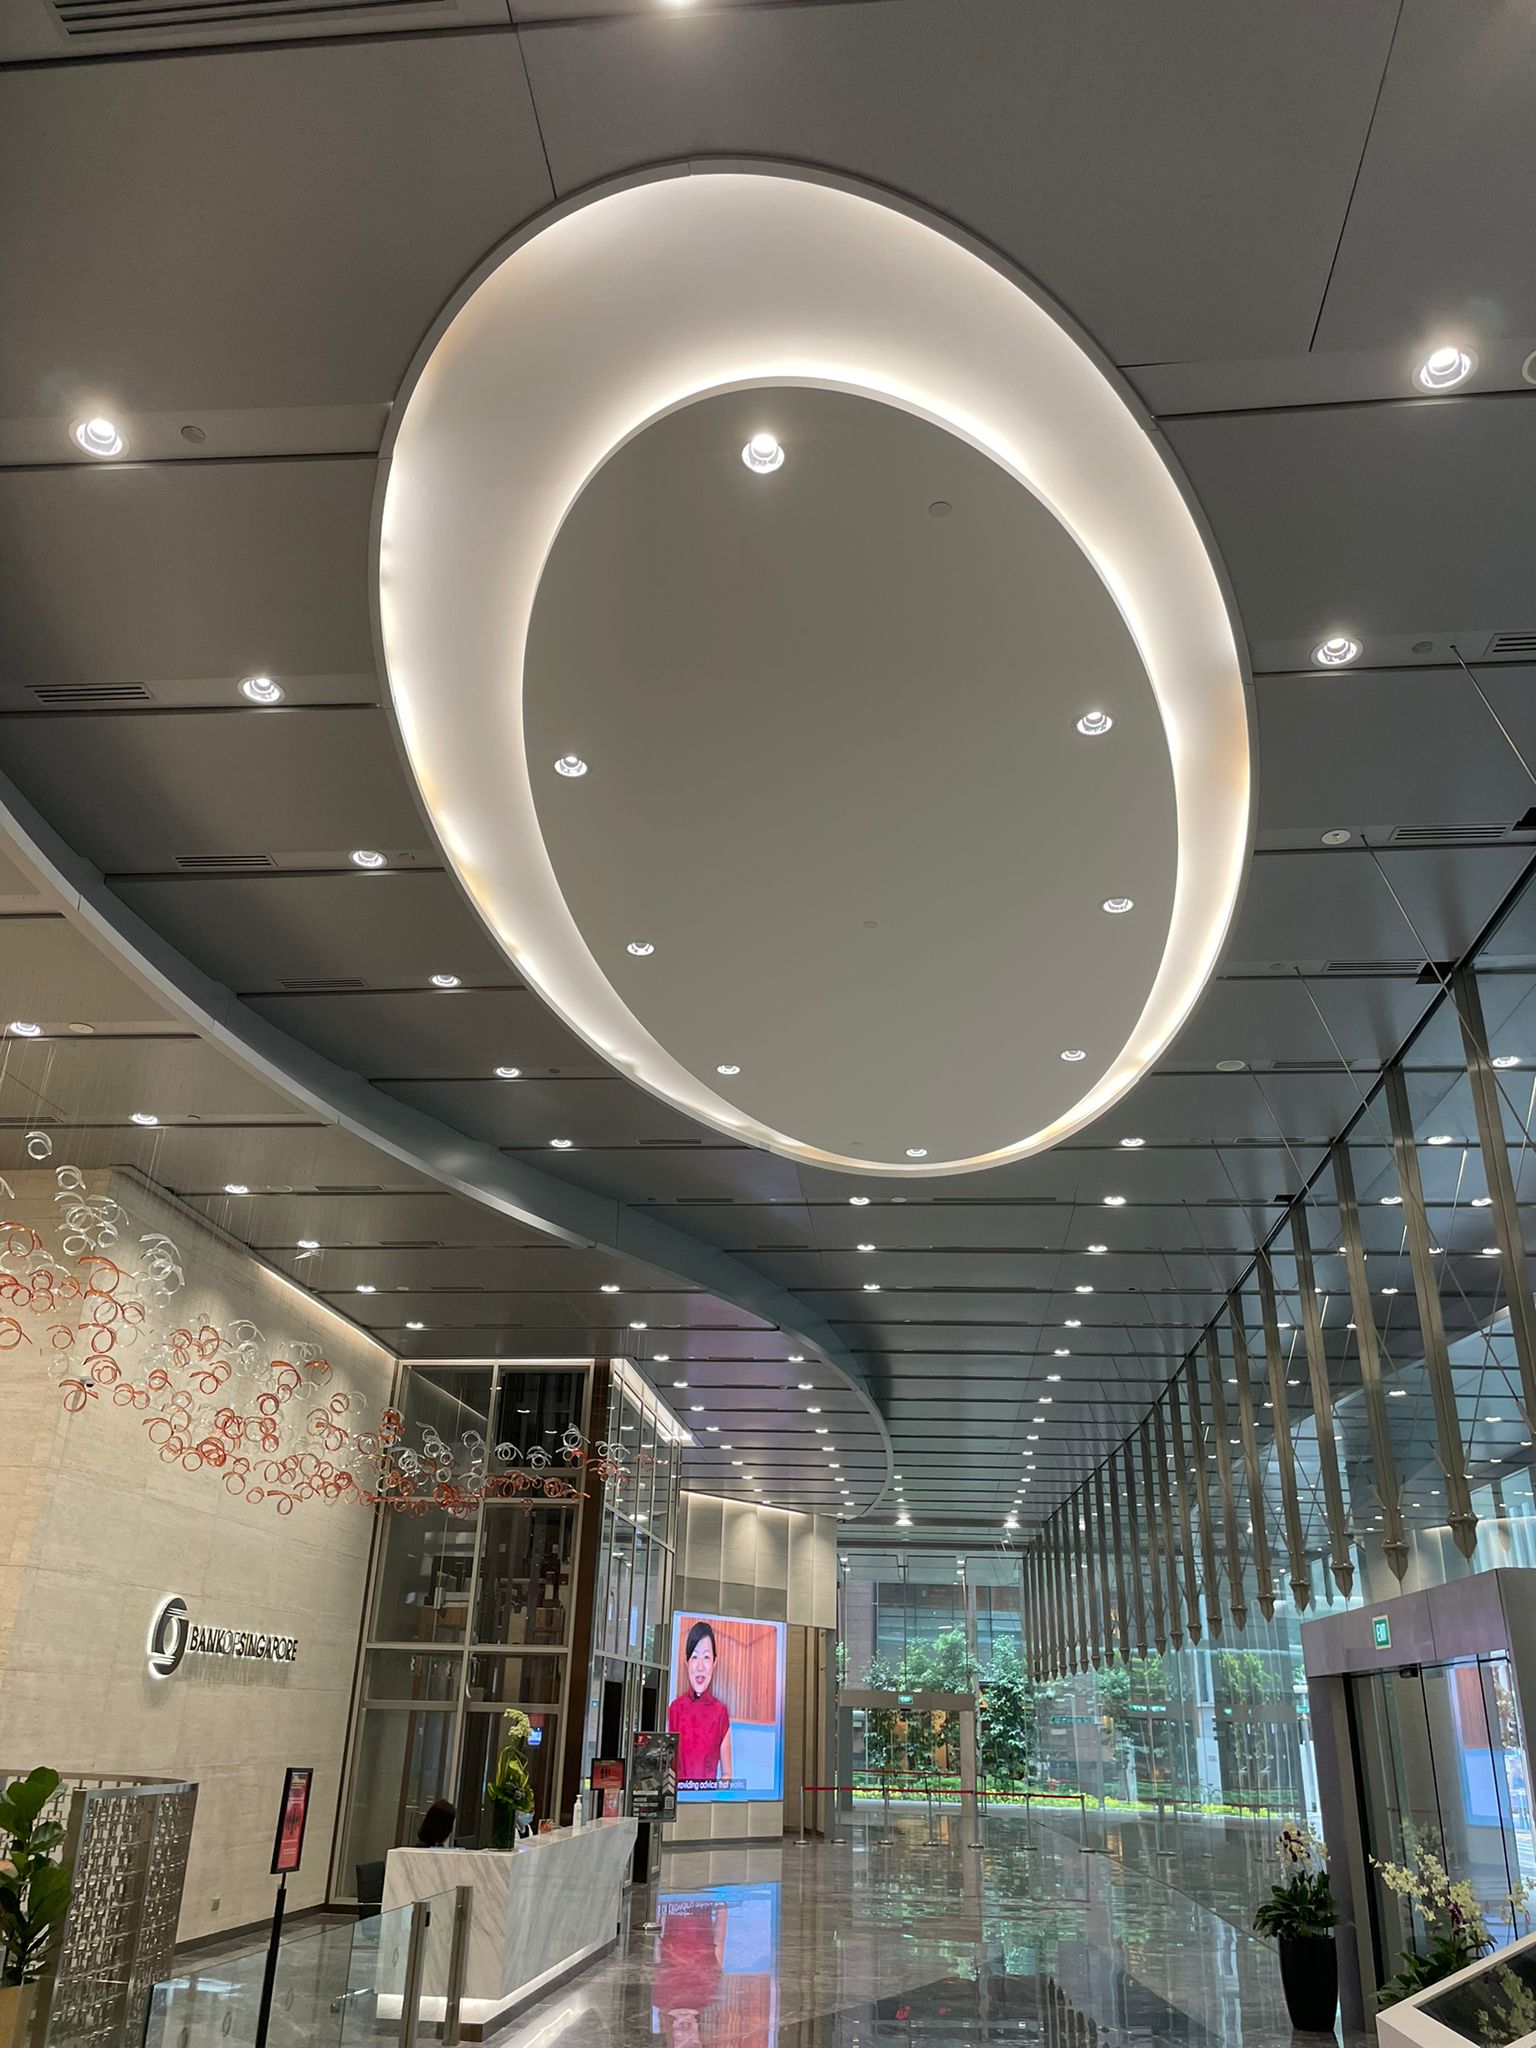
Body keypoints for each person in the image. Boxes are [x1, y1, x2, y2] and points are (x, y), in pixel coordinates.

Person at [667, 1620, 733, 1784]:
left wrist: (718, 1795)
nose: (700, 1667)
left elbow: (727, 1774)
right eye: (695, 1657)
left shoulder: (721, 1711)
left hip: (708, 1797)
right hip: (679, 1797)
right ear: (686, 1661)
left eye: (706, 1657)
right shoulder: (675, 1708)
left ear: (714, 1663)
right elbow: (667, 1766)